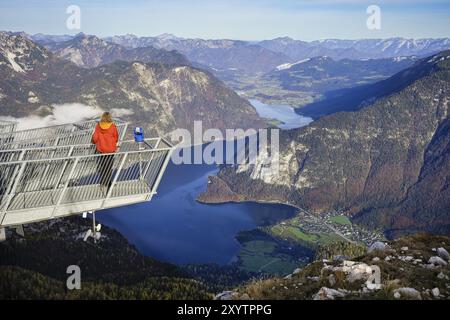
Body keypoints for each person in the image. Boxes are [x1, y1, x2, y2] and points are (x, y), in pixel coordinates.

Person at [92, 112, 119, 190]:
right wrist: (113, 142)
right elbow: (116, 137)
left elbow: (94, 138)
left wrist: (94, 142)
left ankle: (103, 182)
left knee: (103, 166)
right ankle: (108, 183)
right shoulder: (113, 127)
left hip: (101, 150)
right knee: (109, 166)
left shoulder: (98, 126)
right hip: (111, 149)